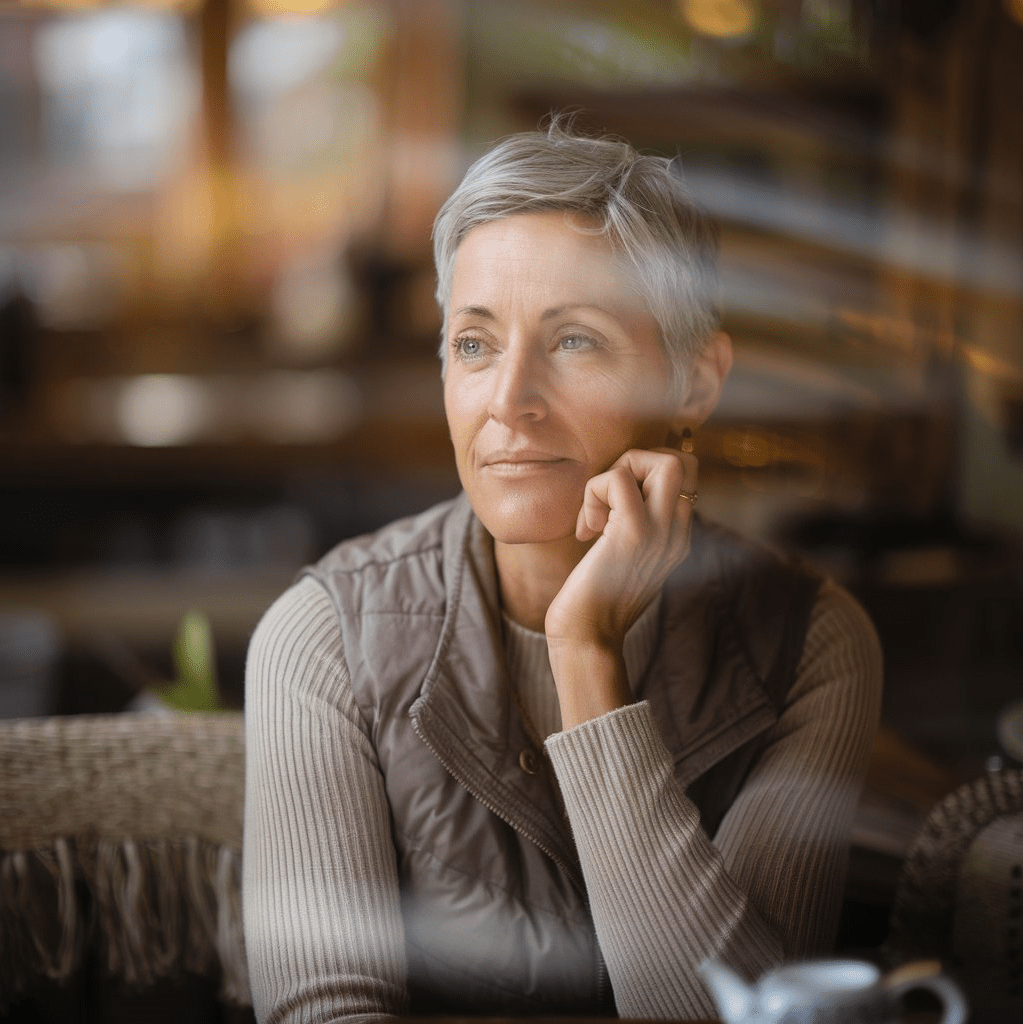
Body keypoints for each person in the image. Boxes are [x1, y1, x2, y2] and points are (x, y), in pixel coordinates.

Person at [242, 120, 882, 1023]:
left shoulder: (812, 645)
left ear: (695, 383)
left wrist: (587, 655)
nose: (508, 400)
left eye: (574, 340)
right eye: (474, 344)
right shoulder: (324, 641)